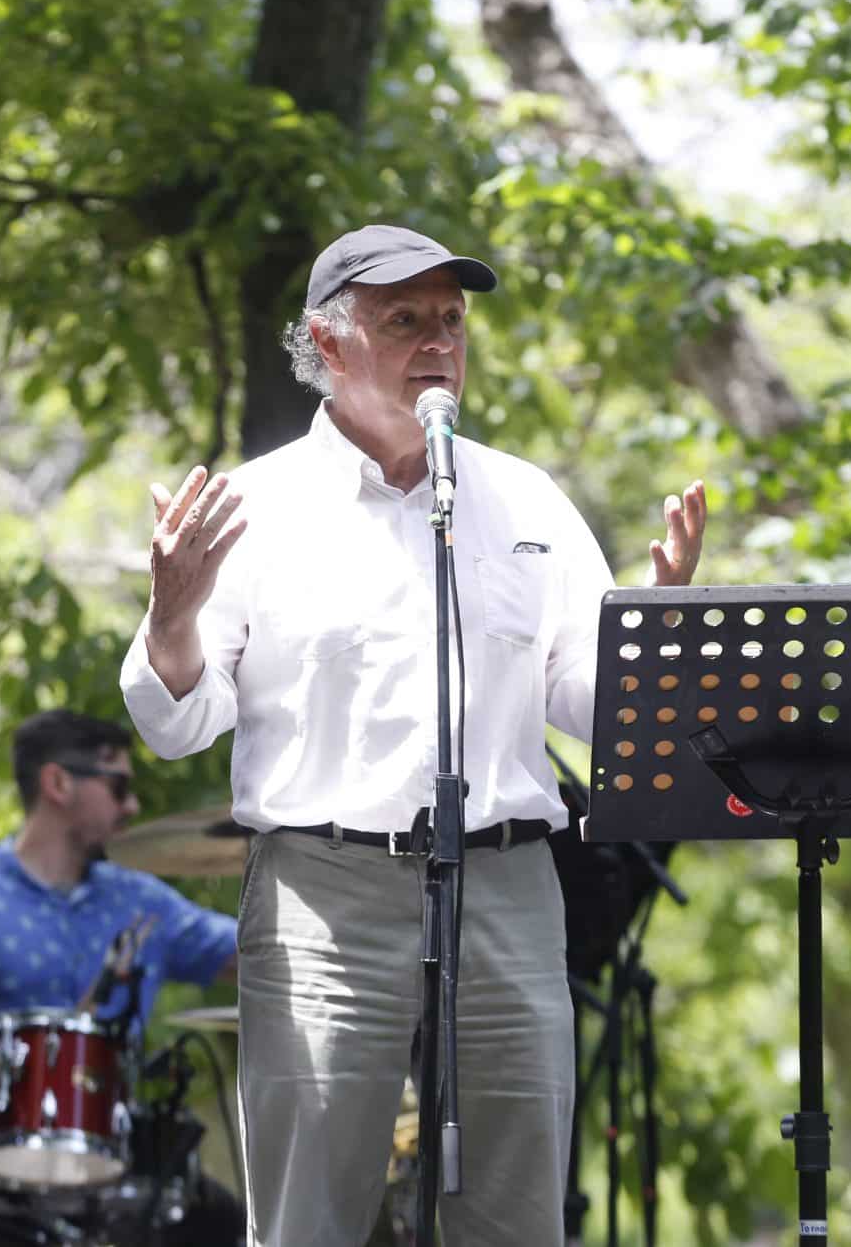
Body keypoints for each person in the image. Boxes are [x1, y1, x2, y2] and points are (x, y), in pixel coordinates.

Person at [117, 224, 708, 1247]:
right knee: (307, 1223)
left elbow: (588, 705)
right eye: (404, 320)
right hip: (323, 896)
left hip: (508, 887)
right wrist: (171, 615)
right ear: (328, 342)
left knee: (518, 1223)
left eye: (451, 320)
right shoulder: (255, 505)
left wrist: (654, 635)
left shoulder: (524, 498)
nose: (438, 342)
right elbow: (176, 723)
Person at [0, 709, 236, 1032]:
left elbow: (253, 952)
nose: (132, 805)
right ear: (58, 784)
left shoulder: (143, 902)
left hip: (114, 1087)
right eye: (119, 787)